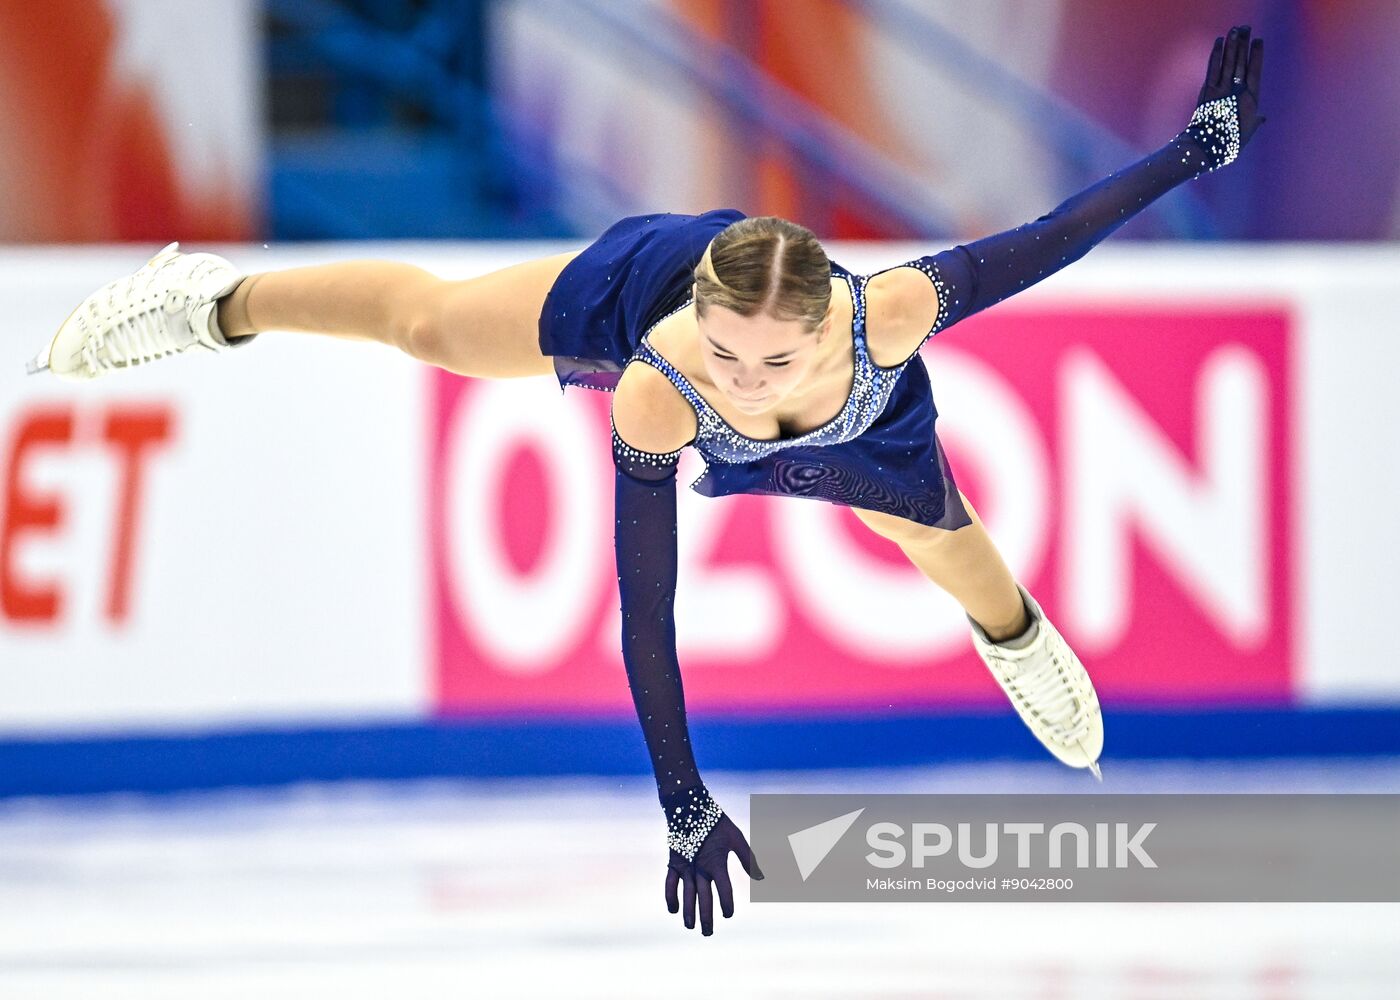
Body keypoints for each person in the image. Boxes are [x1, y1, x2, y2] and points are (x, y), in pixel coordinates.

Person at [27, 26, 1264, 936]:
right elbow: (647, 611)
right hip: (637, 280)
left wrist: (1187, 151)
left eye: (769, 362)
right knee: (431, 327)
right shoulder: (658, 386)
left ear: (826, 332)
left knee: (944, 543)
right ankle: (214, 303)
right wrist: (682, 798)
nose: (740, 382)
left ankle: (1017, 639)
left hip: (859, 429)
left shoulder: (888, 313)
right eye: (723, 355)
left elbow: (1049, 239)